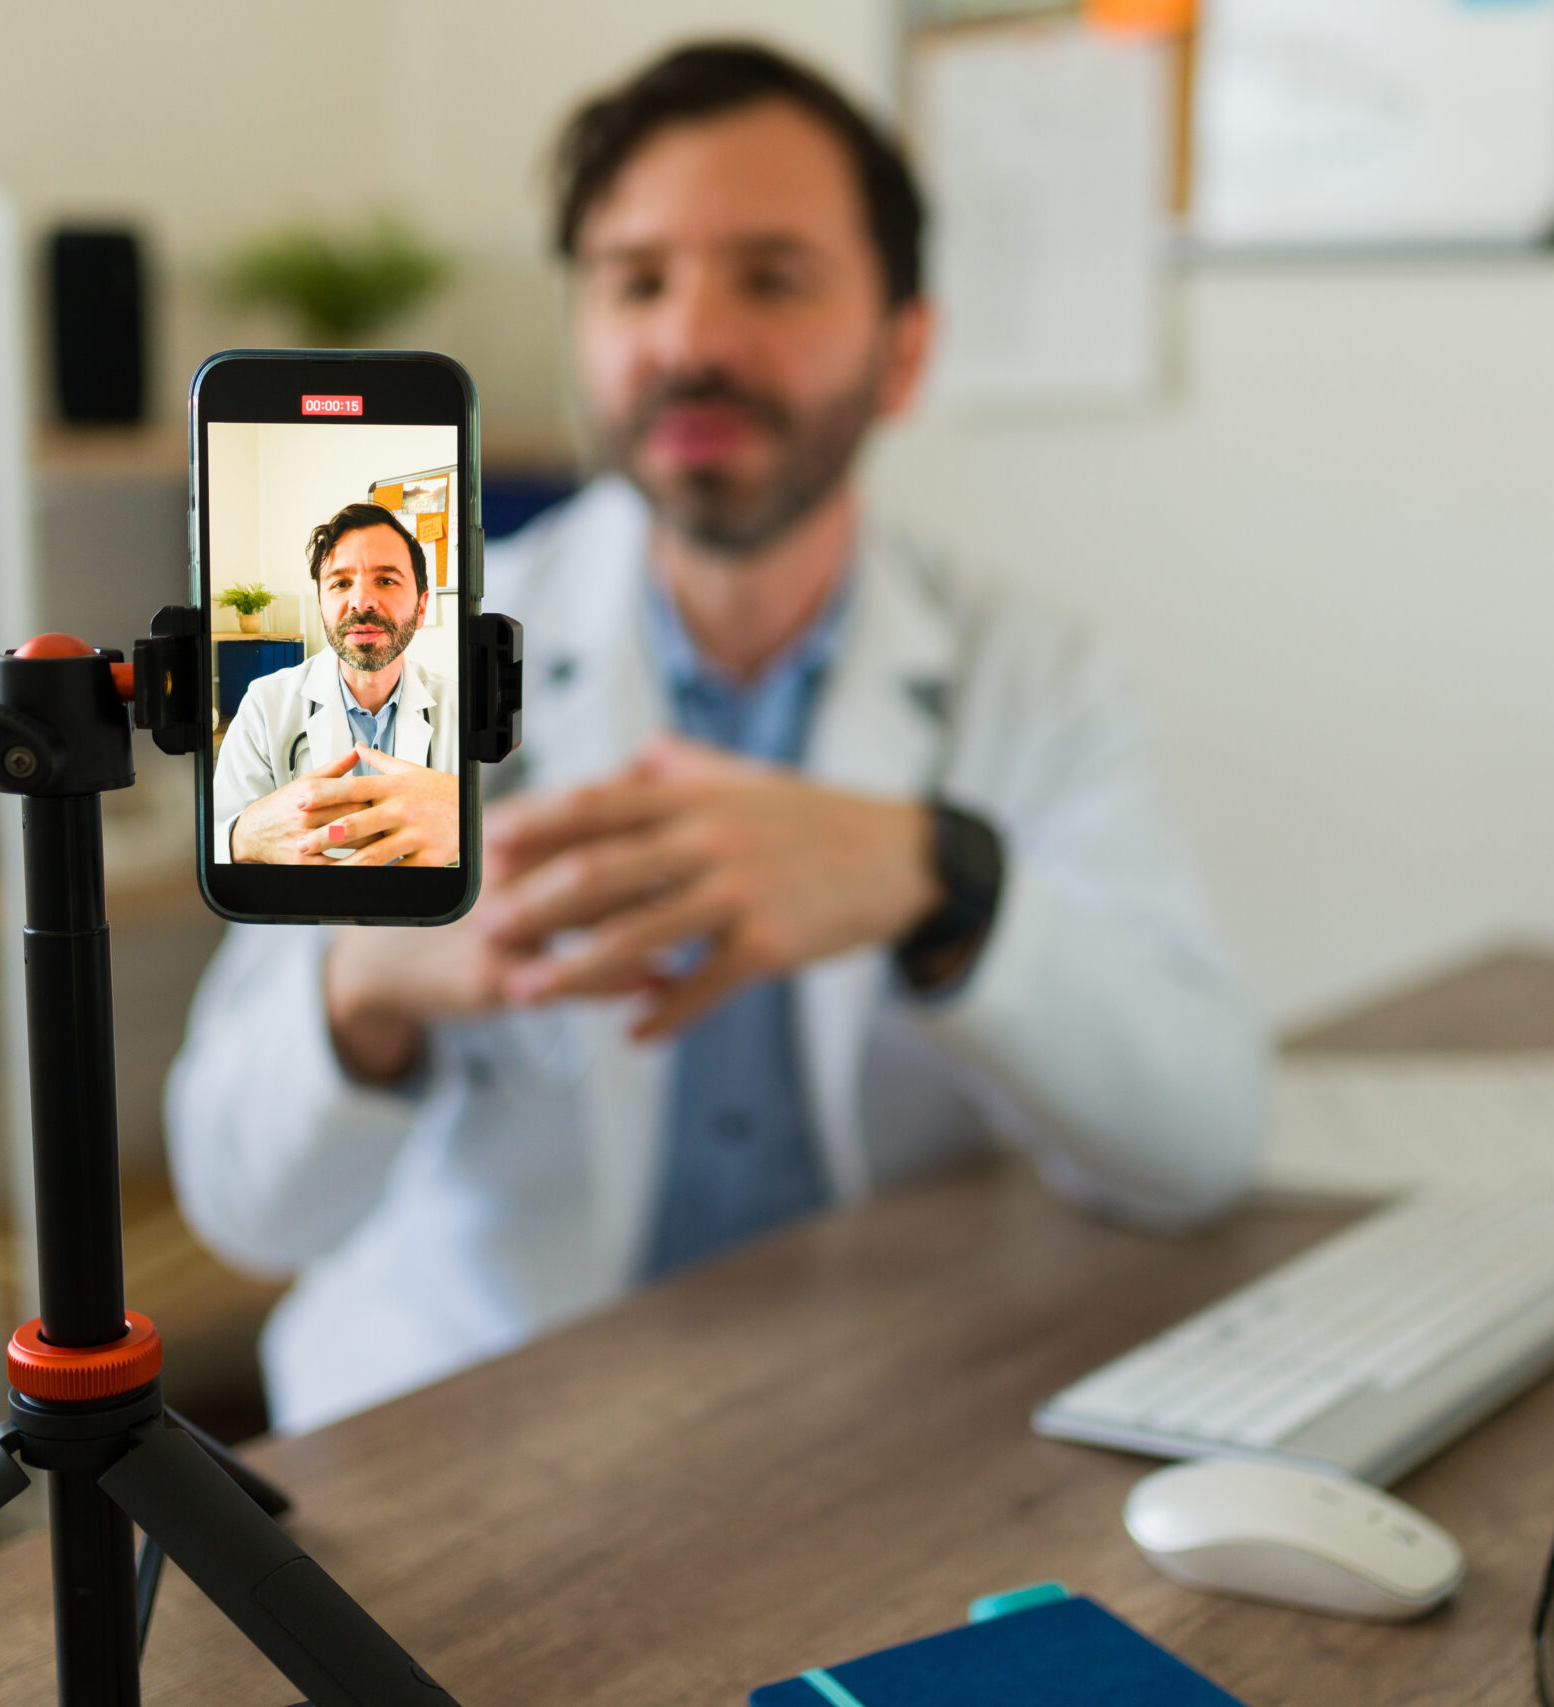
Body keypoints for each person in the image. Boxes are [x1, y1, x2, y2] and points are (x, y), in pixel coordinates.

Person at [167, 41, 1268, 1432]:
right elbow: (246, 1204)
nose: (690, 339)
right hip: (473, 1435)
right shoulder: (400, 638)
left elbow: (1197, 1147)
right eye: (637, 280)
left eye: (772, 276)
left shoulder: (1033, 670)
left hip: (871, 1428)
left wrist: (948, 883)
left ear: (905, 349)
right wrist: (370, 981)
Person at [213, 502, 462, 867]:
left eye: (386, 580)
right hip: (304, 918)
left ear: (421, 607)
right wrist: (244, 835)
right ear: (321, 605)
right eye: (341, 583)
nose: (360, 601)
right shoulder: (264, 706)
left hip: (429, 920)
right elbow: (213, 847)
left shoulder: (462, 708)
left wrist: (470, 813)